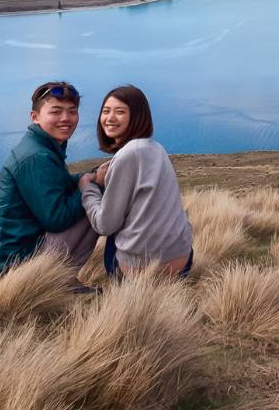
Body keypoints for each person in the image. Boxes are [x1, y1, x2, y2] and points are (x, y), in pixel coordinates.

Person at [0, 81, 98, 279]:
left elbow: (56, 183)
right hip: (10, 267)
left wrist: (91, 174)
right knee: (95, 200)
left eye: (72, 111)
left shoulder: (39, 146)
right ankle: (59, 282)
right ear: (35, 117)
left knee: (92, 189)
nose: (66, 118)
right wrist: (87, 188)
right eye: (56, 111)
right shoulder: (37, 157)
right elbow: (56, 219)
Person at [80, 85, 194, 279]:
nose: (110, 118)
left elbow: (105, 225)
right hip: (183, 261)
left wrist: (87, 189)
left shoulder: (128, 156)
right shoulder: (156, 148)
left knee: (114, 233)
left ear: (137, 117)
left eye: (120, 112)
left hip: (141, 273)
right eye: (106, 111)